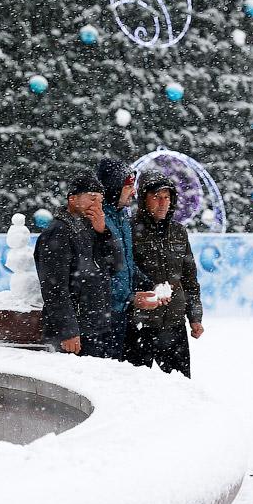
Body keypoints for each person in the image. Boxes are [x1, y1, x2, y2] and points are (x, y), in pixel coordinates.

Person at [125, 169, 204, 378]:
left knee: (180, 388)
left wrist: (195, 317)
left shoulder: (179, 231)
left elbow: (189, 279)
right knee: (136, 388)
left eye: (167, 197)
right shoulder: (129, 229)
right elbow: (124, 275)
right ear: (144, 199)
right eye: (156, 197)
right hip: (140, 325)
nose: (162, 202)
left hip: (175, 324)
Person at [34, 173, 119, 357]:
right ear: (72, 199)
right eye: (92, 198)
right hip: (74, 334)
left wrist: (104, 232)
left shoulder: (90, 229)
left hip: (96, 327)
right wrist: (68, 331)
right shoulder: (57, 232)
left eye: (100, 201)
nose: (97, 206)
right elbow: (54, 287)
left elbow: (116, 266)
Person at [95, 159, 168, 360]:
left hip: (120, 314)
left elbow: (126, 266)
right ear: (113, 188)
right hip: (99, 318)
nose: (133, 192)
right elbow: (95, 274)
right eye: (128, 187)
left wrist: (151, 284)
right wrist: (129, 298)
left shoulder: (121, 218)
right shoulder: (98, 221)